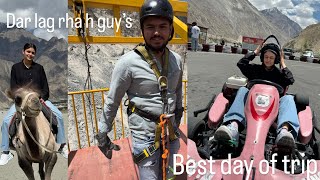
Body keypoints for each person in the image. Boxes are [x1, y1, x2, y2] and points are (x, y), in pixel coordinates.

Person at [96, 0, 183, 179]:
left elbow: (177, 92)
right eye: (150, 27)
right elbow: (113, 100)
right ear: (142, 30)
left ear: (170, 30)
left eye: (162, 26)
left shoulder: (177, 60)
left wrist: (178, 119)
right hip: (145, 137)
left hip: (171, 133)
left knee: (171, 175)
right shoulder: (128, 63)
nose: (157, 32)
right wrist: (103, 133)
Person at [213, 41, 299, 149]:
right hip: (252, 103)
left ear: (276, 59)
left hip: (272, 106)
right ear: (262, 57)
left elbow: (290, 79)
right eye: (266, 57)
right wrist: (255, 52)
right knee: (243, 90)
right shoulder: (254, 69)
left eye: (271, 58)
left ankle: (284, 132)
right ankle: (233, 126)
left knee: (288, 98)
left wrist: (282, 62)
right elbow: (241, 63)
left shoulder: (279, 74)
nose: (268, 60)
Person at [0, 43, 67, 165]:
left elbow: (45, 87)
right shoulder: (15, 68)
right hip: (22, 102)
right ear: (23, 52)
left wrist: (42, 98)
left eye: (32, 52)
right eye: (28, 52)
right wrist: (20, 99)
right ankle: (5, 152)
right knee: (5, 122)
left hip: (39, 100)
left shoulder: (39, 68)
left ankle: (62, 145)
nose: (30, 54)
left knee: (59, 116)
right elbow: (14, 87)